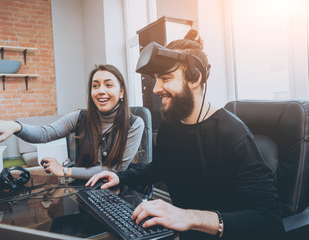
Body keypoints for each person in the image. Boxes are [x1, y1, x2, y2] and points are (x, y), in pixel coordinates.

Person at [86, 30, 284, 239]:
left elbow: (270, 219)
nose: (156, 88)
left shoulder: (233, 136)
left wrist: (189, 217)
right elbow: (162, 167)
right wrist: (120, 177)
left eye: (165, 78)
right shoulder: (171, 124)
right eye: (156, 79)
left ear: (195, 78)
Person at [0, 64, 144, 179]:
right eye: (95, 85)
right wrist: (15, 126)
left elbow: (113, 171)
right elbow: (44, 134)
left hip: (117, 193)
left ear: (121, 92)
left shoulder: (134, 124)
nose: (101, 91)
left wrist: (65, 171)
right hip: (83, 190)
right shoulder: (79, 117)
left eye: (108, 85)